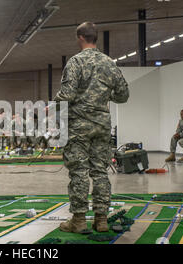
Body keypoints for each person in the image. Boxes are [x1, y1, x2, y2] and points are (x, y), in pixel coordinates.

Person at [54, 22, 129, 233]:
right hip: (102, 126)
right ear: (95, 38)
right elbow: (123, 95)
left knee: (78, 171)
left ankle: (78, 220)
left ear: (80, 37)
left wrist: (54, 105)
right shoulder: (109, 63)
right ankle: (101, 219)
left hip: (79, 126)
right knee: (100, 172)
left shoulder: (75, 62)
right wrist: (104, 97)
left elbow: (67, 96)